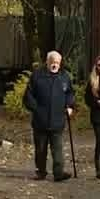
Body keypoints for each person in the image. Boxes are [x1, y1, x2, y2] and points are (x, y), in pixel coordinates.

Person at [22, 51, 75, 182]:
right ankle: (41, 172)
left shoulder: (64, 77)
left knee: (57, 149)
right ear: (47, 62)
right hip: (40, 120)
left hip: (58, 119)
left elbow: (70, 93)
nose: (55, 65)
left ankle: (58, 173)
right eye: (52, 62)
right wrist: (36, 109)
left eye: (57, 62)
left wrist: (69, 105)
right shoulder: (37, 76)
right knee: (40, 149)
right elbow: (28, 96)